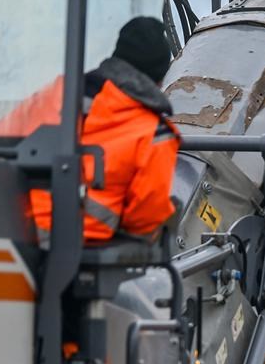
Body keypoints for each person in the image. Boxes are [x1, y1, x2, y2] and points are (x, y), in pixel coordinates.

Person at [21, 17, 181, 246]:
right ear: (159, 78)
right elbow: (146, 217)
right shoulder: (155, 133)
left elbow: (2, 137)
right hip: (79, 246)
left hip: (16, 226)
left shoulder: (57, 93)